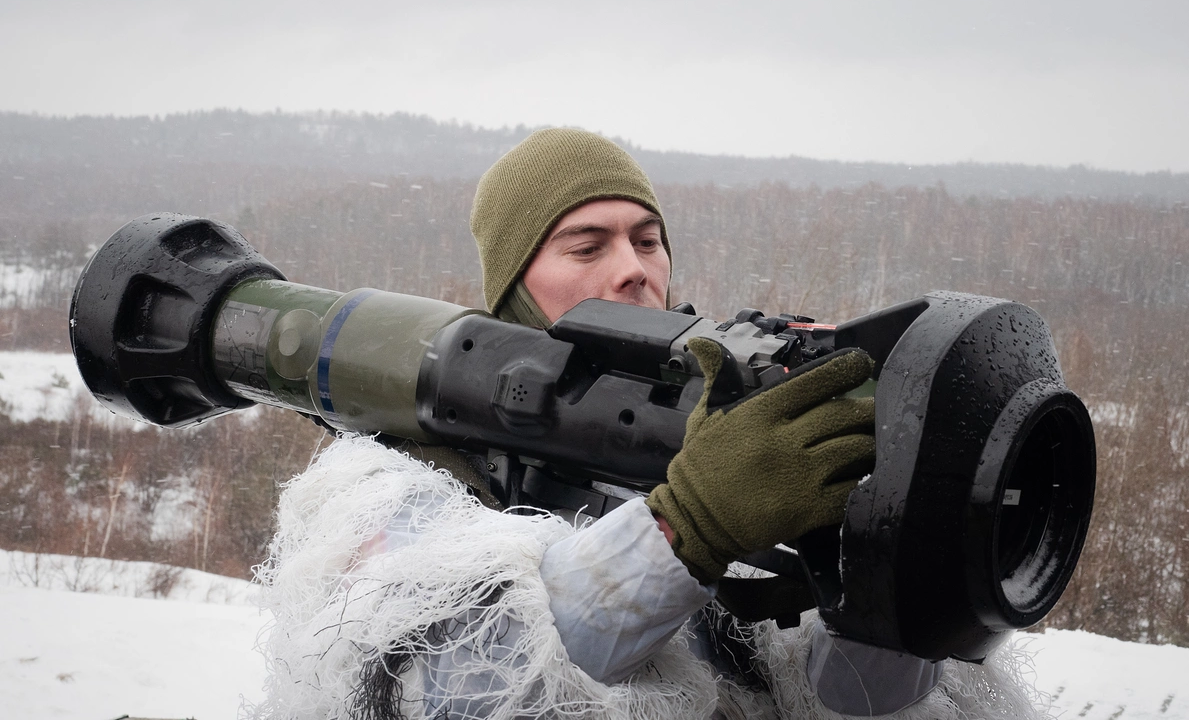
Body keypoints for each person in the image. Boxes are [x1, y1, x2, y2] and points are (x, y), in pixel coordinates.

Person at [253, 129, 1042, 720]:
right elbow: (459, 685)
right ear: (513, 291)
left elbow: (850, 702)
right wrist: (686, 528)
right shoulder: (397, 482)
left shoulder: (729, 432)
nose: (633, 266)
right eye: (585, 244)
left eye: (647, 238)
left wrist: (884, 562)